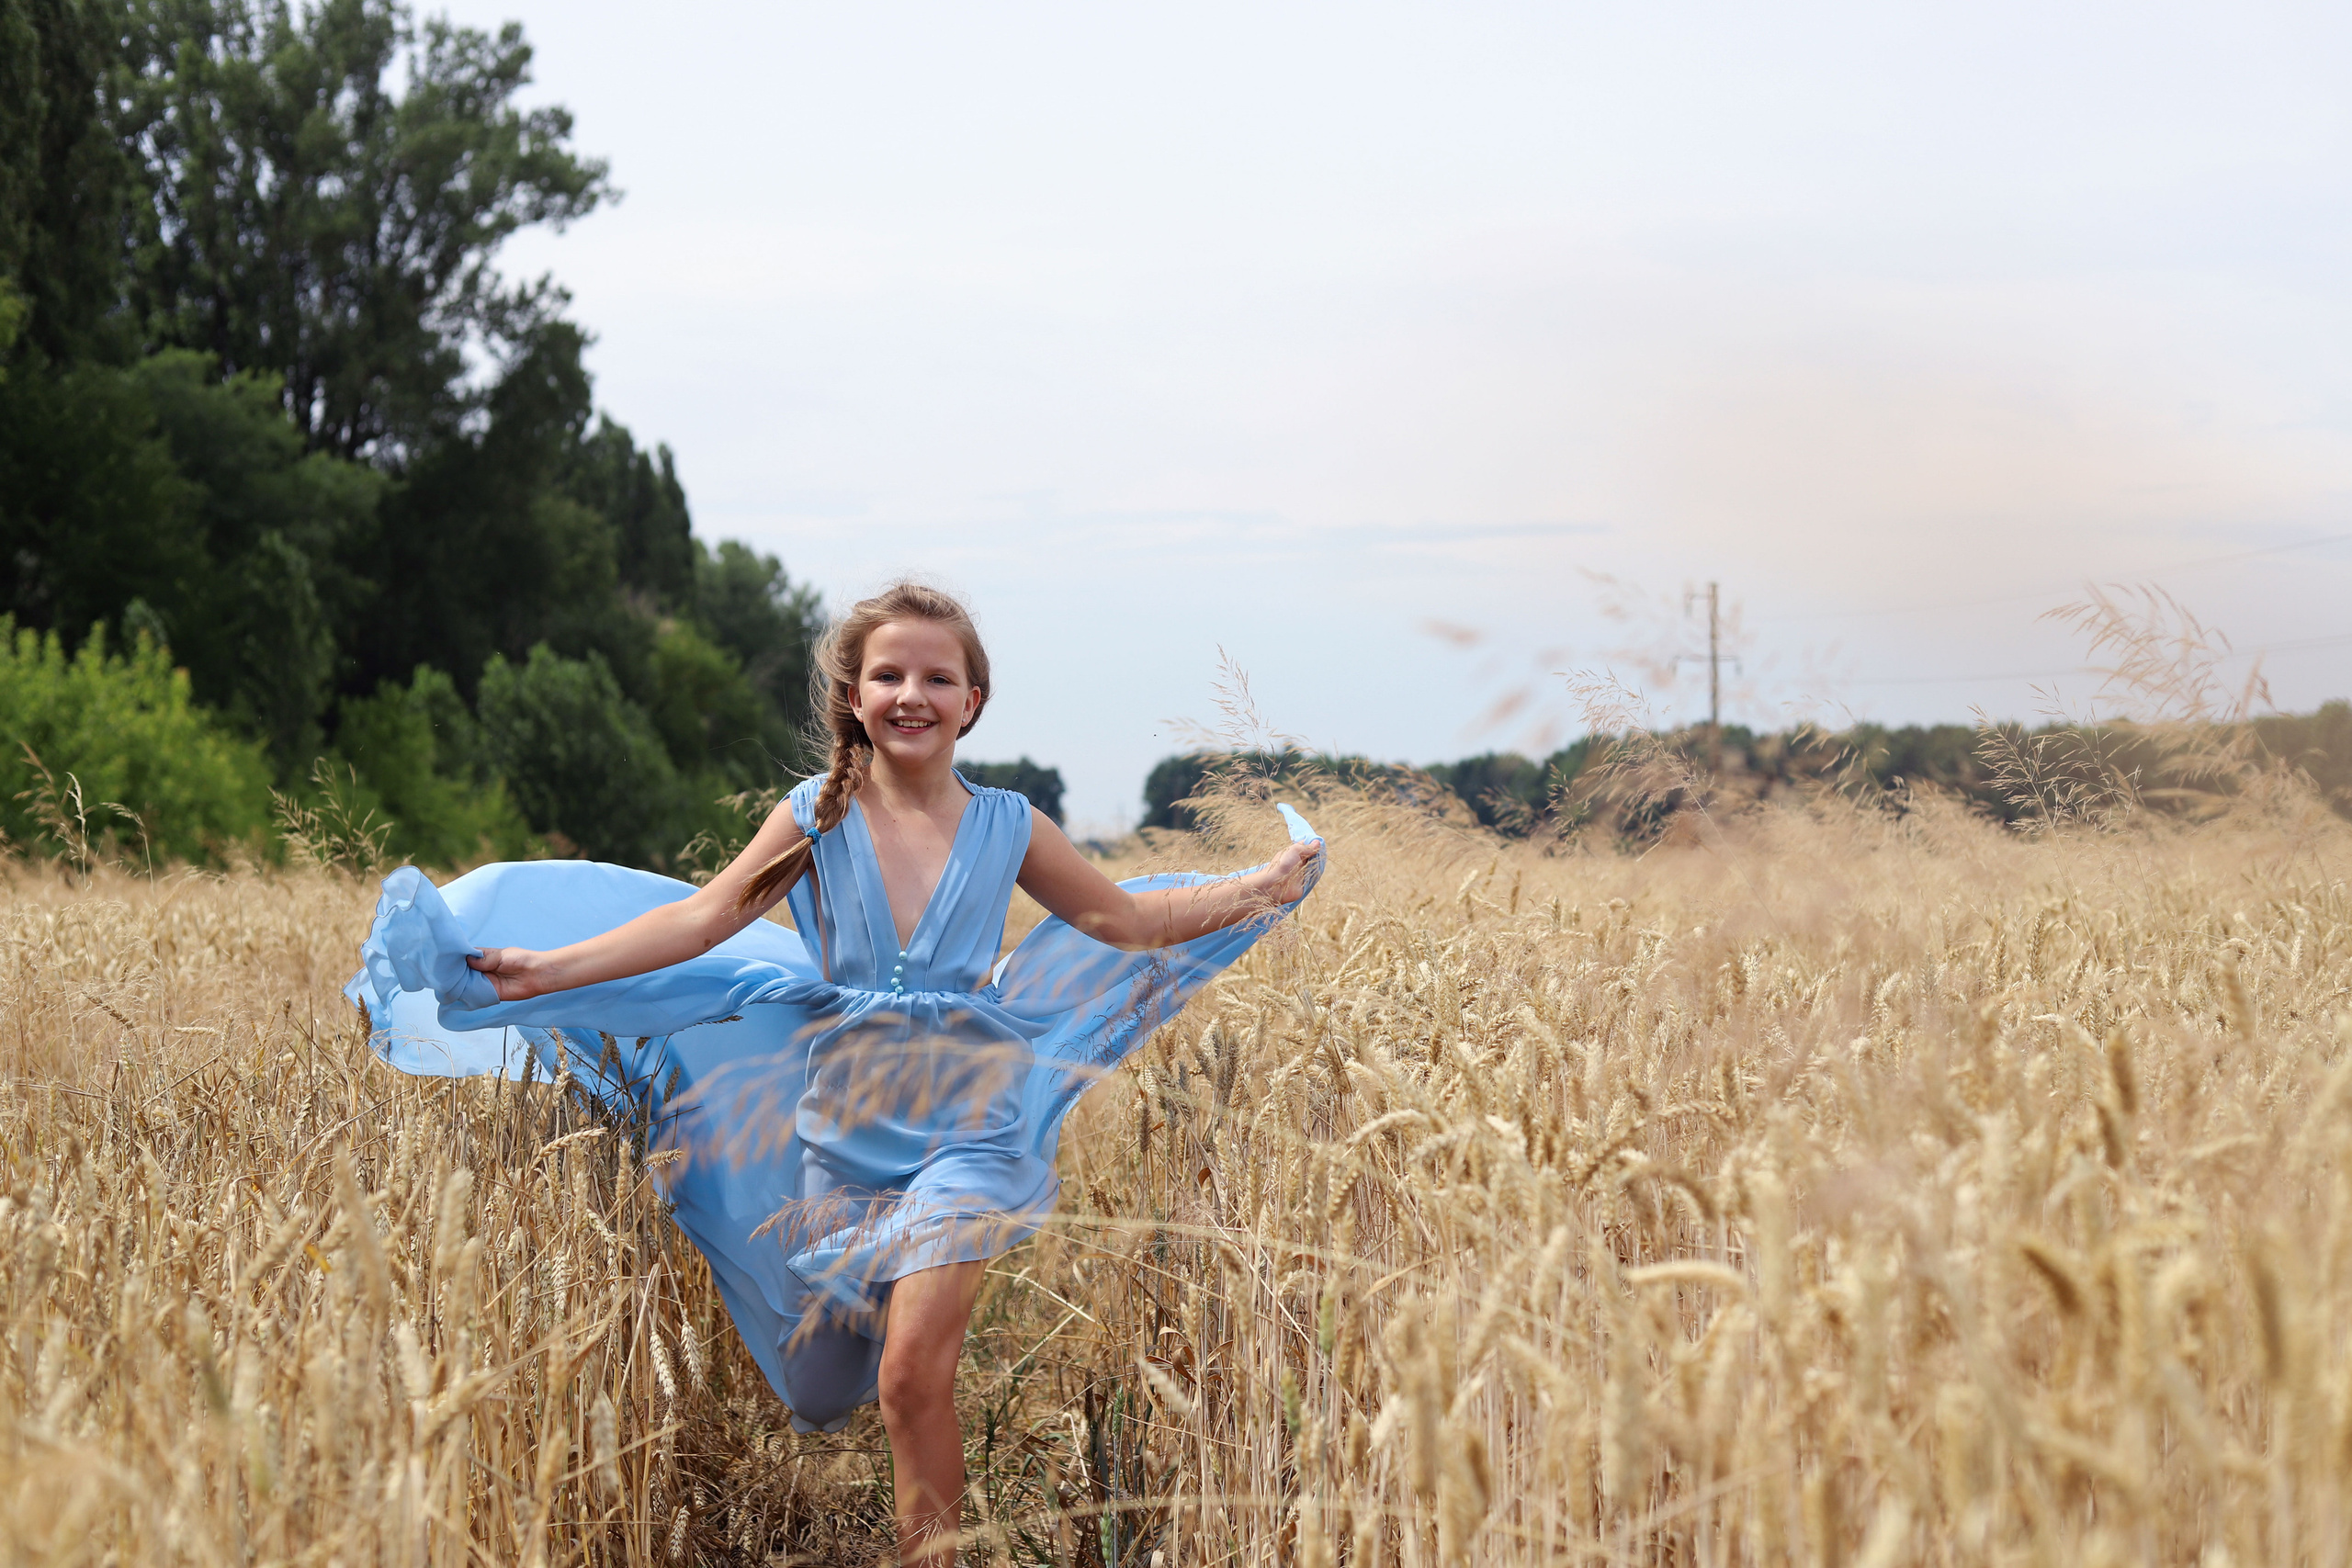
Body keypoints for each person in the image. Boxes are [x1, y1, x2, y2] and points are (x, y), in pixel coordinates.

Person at [345, 581, 1323, 1565]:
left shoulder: (1010, 826)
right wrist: (542, 972)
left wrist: (1256, 888)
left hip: (968, 1126)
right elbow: (701, 920)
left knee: (909, 1379)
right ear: (853, 697)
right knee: (822, 1384)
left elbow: (1128, 922)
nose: (913, 694)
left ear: (973, 701)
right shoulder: (815, 821)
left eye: (938, 677)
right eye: (888, 674)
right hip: (842, 1133)